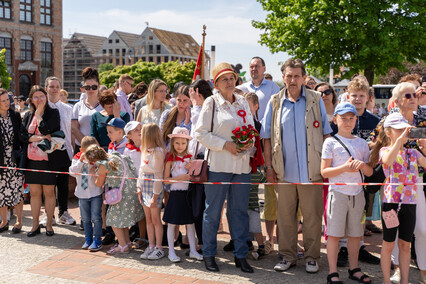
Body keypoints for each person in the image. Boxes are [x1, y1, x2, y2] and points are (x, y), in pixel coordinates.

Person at [261, 58, 332, 273]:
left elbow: (326, 132)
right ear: (283, 77)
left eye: (297, 76)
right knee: (285, 218)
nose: (292, 80)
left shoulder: (315, 99)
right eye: (289, 76)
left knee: (312, 217)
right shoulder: (275, 101)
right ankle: (288, 256)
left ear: (303, 78)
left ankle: (312, 257)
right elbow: (266, 137)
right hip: (284, 171)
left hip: (312, 171)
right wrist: (269, 167)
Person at [195, 62, 255, 273]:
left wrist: (249, 143)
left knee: (239, 212)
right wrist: (225, 145)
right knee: (213, 212)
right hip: (219, 164)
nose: (230, 82)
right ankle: (209, 254)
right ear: (216, 83)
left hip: (242, 165)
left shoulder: (242, 102)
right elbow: (200, 133)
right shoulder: (211, 103)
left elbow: (251, 128)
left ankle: (240, 255)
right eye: (225, 79)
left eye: (232, 78)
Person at [331, 77, 381, 267]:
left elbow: (381, 147)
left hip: (365, 175)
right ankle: (343, 248)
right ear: (348, 96)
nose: (358, 99)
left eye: (362, 96)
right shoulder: (340, 119)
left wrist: (374, 147)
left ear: (368, 97)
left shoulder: (376, 121)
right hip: (342, 176)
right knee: (342, 214)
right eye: (354, 96)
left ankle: (358, 247)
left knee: (360, 214)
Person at [321, 102, 373, 284]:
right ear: (335, 119)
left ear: (355, 120)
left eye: (351, 118)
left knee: (355, 234)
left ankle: (354, 268)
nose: (348, 122)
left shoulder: (362, 144)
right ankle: (333, 272)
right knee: (334, 235)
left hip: (357, 195)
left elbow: (369, 173)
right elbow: (324, 172)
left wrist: (363, 166)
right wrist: (344, 167)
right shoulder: (330, 142)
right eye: (343, 118)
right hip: (338, 194)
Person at [377, 112, 426, 284]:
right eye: (398, 130)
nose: (403, 133)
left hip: (409, 203)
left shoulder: (413, 153)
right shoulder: (384, 150)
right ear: (388, 132)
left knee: (405, 245)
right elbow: (387, 161)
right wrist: (398, 142)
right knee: (388, 243)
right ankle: (386, 280)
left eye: (405, 129)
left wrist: (425, 148)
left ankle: (405, 281)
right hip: (391, 203)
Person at [238, 56, 280, 254]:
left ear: (264, 68)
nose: (254, 69)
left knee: (266, 196)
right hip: (244, 145)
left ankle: (269, 239)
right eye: (251, 66)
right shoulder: (243, 88)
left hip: (267, 140)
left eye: (257, 66)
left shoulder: (272, 88)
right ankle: (245, 239)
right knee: (245, 199)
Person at [85, 144, 144, 255]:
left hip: (120, 194)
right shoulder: (118, 156)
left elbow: (99, 184)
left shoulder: (103, 165)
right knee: (122, 219)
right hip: (132, 190)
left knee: (113, 219)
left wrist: (93, 173)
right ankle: (127, 243)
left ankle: (122, 245)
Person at [22, 86, 60, 237]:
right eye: (36, 97)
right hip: (31, 160)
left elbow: (47, 130)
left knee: (49, 192)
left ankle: (49, 225)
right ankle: (35, 225)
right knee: (34, 193)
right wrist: (35, 138)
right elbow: (22, 136)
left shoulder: (53, 113)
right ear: (31, 99)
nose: (39, 100)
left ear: (46, 97)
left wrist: (38, 115)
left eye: (41, 96)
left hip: (48, 160)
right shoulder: (26, 115)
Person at [162, 127, 203, 263]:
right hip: (175, 193)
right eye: (177, 143)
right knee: (172, 223)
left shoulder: (191, 158)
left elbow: (195, 177)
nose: (180, 146)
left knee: (190, 223)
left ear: (187, 143)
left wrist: (191, 171)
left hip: (188, 194)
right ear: (173, 143)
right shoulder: (169, 158)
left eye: (183, 143)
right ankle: (171, 252)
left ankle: (192, 250)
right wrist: (182, 177)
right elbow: (166, 179)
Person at [45, 76, 75, 226]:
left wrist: (72, 151)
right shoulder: (42, 107)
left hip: (64, 150)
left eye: (57, 86)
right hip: (47, 151)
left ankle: (63, 212)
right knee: (48, 184)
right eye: (51, 86)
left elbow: (71, 131)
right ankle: (48, 214)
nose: (54, 89)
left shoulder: (68, 109)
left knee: (63, 184)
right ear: (46, 89)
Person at [137, 123, 166, 260]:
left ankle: (159, 247)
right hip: (144, 185)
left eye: (142, 133)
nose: (140, 135)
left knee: (155, 219)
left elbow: (159, 174)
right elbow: (141, 170)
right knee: (148, 219)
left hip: (155, 186)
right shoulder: (143, 148)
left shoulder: (159, 151)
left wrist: (155, 195)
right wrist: (138, 187)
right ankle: (151, 245)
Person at [69, 136, 103, 251]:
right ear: (82, 150)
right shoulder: (77, 158)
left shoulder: (97, 159)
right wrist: (80, 161)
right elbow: (72, 172)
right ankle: (88, 239)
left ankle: (97, 239)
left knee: (96, 217)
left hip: (95, 193)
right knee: (85, 218)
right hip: (82, 194)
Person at [0, 88, 25, 234]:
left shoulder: (15, 115)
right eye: (2, 101)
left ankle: (19, 221)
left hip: (15, 158)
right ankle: (4, 221)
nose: (6, 102)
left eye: (7, 99)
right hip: (1, 158)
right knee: (1, 191)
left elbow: (21, 135)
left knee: (17, 190)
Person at [123, 121, 147, 248]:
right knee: (135, 212)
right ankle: (133, 238)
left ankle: (145, 237)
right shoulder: (128, 150)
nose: (139, 131)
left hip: (146, 184)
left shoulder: (147, 147)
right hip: (133, 184)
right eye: (136, 130)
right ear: (129, 136)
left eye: (140, 128)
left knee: (145, 212)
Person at [72, 67, 103, 154]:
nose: (91, 90)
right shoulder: (78, 106)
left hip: (101, 148)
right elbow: (74, 129)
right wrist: (88, 146)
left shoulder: (105, 105)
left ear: (99, 86)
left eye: (94, 87)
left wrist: (97, 148)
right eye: (87, 87)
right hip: (82, 148)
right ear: (83, 88)